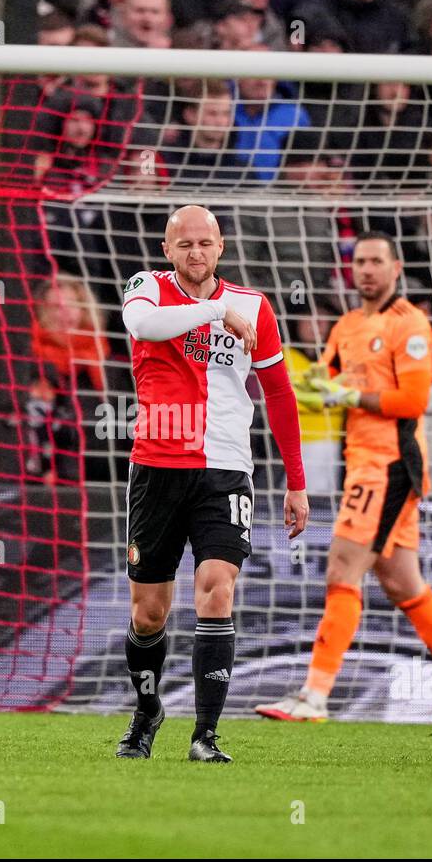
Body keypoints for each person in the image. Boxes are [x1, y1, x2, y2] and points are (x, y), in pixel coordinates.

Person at [257, 233, 432, 725]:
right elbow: (323, 381)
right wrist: (302, 388)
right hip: (363, 463)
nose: (367, 269)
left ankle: (314, 695)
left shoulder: (409, 324)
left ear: (396, 269)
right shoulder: (347, 325)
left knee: (342, 572)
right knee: (403, 583)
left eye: (377, 261)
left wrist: (349, 398)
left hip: (391, 465)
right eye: (360, 261)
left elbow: (412, 402)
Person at [116, 205, 308, 763]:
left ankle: (206, 734)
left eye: (205, 244)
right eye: (185, 245)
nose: (196, 253)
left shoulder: (255, 306)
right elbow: (143, 326)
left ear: (220, 247)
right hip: (156, 465)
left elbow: (278, 394)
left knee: (217, 589)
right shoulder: (145, 288)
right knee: (148, 611)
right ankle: (148, 709)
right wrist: (214, 308)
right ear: (166, 249)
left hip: (225, 469)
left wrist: (296, 483)